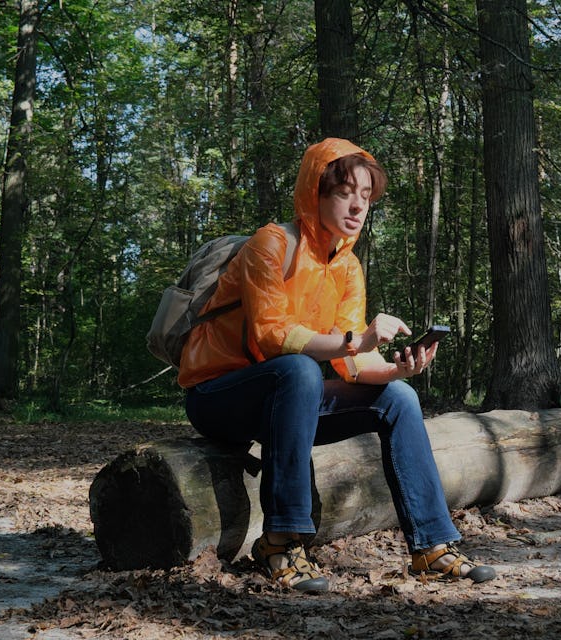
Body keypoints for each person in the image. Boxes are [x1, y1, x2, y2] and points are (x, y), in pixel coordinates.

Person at [177, 138, 499, 593]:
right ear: (315, 193)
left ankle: (431, 547)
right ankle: (281, 541)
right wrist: (356, 340)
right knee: (299, 369)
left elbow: (355, 363)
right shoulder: (271, 244)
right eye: (345, 192)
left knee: (398, 399)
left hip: (287, 401)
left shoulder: (347, 268)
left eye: (365, 196)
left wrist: (397, 370)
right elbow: (271, 336)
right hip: (218, 396)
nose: (358, 205)